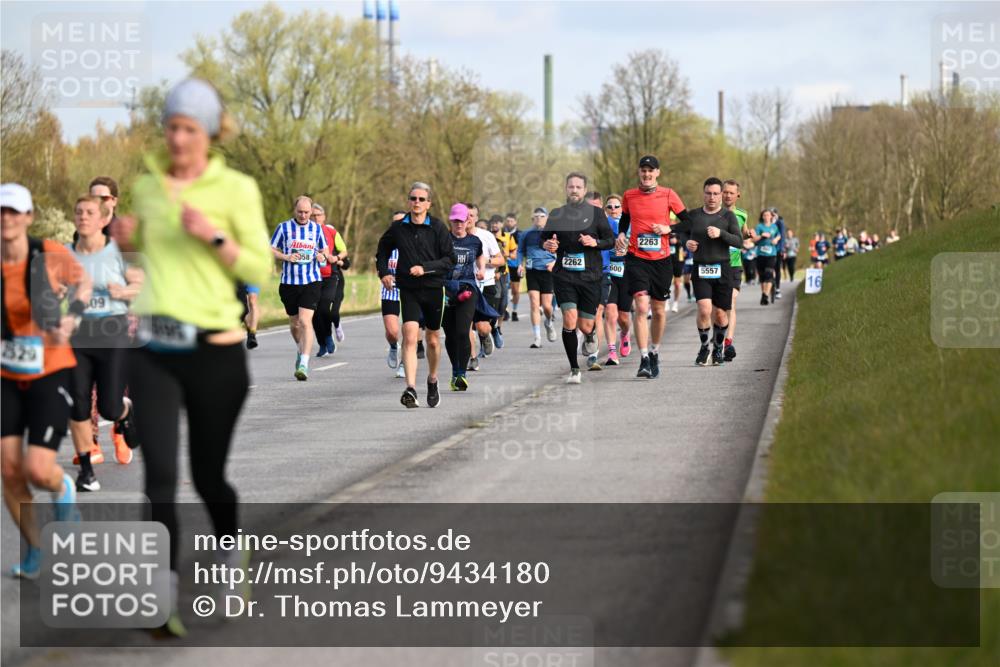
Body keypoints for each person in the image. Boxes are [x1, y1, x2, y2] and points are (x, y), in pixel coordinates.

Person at [110, 78, 272, 636]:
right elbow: (148, 264)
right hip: (155, 348)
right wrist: (128, 240)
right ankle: (161, 597)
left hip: (216, 352)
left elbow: (257, 269)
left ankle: (232, 553)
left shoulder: (236, 189)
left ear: (207, 133)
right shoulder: (148, 187)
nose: (177, 138)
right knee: (158, 476)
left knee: (207, 477)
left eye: (188, 129)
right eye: (171, 127)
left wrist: (212, 237)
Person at [2, 182, 90, 579]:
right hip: (5, 375)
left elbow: (82, 282)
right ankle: (37, 549)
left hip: (50, 368)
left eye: (14, 212)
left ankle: (63, 488)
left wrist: (74, 316)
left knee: (38, 470)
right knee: (8, 470)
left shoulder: (48, 255)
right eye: (1, 211)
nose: (6, 218)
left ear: (28, 217)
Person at [66, 195, 142, 492]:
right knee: (79, 401)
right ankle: (86, 471)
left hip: (112, 332)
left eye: (89, 213)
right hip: (79, 335)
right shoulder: (64, 254)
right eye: (78, 212)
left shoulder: (118, 252)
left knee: (109, 406)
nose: (83, 217)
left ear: (102, 220)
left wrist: (122, 292)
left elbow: (140, 284)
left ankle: (126, 412)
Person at [375, 182, 455, 409]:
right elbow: (382, 250)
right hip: (408, 288)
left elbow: (449, 260)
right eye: (413, 198)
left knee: (432, 339)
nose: (416, 202)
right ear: (408, 201)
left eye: (421, 199)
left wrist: (425, 268)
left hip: (433, 288)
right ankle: (410, 388)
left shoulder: (438, 228)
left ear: (428, 203)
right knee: (409, 335)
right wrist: (384, 273)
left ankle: (432, 379)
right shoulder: (399, 228)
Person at [615, 155, 688, 379]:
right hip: (637, 257)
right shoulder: (629, 195)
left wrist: (668, 229)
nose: (646, 174)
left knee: (657, 310)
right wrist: (620, 234)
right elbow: (625, 219)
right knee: (641, 305)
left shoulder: (668, 194)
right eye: (643, 170)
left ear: (658, 173)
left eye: (651, 171)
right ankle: (644, 357)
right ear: (639, 172)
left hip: (662, 261)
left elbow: (689, 222)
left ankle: (655, 351)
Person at [543, 173, 615, 383]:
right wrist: (548, 245)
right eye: (571, 186)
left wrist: (595, 243)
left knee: (584, 325)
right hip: (564, 276)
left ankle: (590, 334)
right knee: (569, 319)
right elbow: (544, 239)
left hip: (590, 276)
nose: (574, 190)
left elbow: (609, 240)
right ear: (566, 189)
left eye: (578, 187)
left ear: (584, 191)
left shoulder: (596, 214)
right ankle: (574, 369)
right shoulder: (557, 214)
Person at [672, 178, 744, 366]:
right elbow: (681, 232)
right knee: (704, 309)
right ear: (703, 194)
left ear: (721, 195)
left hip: (723, 269)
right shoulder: (694, 215)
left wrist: (721, 234)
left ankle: (718, 347)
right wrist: (685, 243)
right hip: (701, 268)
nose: (712, 197)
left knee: (720, 314)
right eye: (708, 193)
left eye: (715, 194)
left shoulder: (728, 217)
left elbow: (738, 241)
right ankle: (705, 347)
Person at [270, 195, 333, 380]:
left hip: (311, 281)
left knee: (306, 322)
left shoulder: (316, 229)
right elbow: (271, 249)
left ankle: (304, 363)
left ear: (311, 211)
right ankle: (300, 349)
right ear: (294, 210)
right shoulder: (284, 228)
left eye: (307, 212)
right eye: (300, 212)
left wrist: (322, 257)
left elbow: (325, 250)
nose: (304, 215)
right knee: (295, 323)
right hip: (289, 282)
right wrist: (286, 257)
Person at [442, 204, 485, 390]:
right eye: (455, 220)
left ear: (468, 220)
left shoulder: (475, 241)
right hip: (445, 290)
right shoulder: (442, 240)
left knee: (462, 331)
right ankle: (455, 370)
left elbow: (480, 256)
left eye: (462, 220)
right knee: (450, 334)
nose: (459, 224)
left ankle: (462, 374)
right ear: (450, 221)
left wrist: (481, 269)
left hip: (468, 288)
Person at [721, 180, 754, 362]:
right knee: (718, 308)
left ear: (737, 195)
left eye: (731, 193)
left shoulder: (742, 214)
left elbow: (744, 232)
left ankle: (728, 342)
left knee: (731, 302)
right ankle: (718, 339)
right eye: (725, 192)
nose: (727, 195)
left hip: (734, 265)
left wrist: (749, 234)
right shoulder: (713, 213)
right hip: (717, 264)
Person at [310, 203, 349, 358]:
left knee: (324, 309)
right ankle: (322, 343)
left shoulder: (331, 232)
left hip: (330, 276)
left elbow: (344, 251)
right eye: (312, 215)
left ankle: (327, 336)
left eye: (318, 215)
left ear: (324, 217)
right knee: (313, 314)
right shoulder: (304, 232)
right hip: (311, 277)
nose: (315, 218)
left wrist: (336, 257)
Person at [469, 205, 504, 367]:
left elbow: (500, 260)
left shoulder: (486, 236)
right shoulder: (453, 237)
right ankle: (472, 358)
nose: (468, 218)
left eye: (472, 215)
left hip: (486, 284)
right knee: (465, 325)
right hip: (465, 286)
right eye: (465, 215)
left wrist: (485, 262)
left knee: (482, 327)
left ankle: (486, 334)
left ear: (476, 218)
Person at [521, 207, 558, 348]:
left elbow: (563, 251)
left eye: (542, 216)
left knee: (547, 306)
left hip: (547, 271)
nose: (539, 219)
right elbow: (520, 251)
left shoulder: (554, 234)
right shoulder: (526, 234)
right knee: (534, 304)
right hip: (532, 271)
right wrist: (520, 264)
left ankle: (549, 322)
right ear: (532, 219)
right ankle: (537, 337)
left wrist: (554, 262)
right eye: (536, 216)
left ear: (547, 218)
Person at [602, 194, 632, 366]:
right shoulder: (603, 225)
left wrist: (627, 249)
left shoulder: (630, 224)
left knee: (623, 317)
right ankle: (612, 352)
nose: (613, 209)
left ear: (622, 208)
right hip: (609, 272)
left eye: (617, 206)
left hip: (626, 272)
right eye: (610, 206)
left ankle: (625, 333)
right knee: (611, 314)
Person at [381, 211, 408, 379]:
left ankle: (405, 363)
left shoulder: (416, 243)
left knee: (409, 330)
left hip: (410, 290)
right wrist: (383, 274)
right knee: (392, 331)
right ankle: (393, 346)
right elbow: (380, 263)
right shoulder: (386, 243)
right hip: (390, 290)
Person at [754, 209, 781, 305]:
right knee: (762, 277)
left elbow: (779, 235)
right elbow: (754, 239)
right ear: (762, 217)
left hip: (771, 254)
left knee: (769, 274)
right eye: (764, 215)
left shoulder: (774, 227)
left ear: (771, 216)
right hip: (760, 254)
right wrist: (761, 236)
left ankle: (765, 296)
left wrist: (776, 240)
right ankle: (764, 294)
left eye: (768, 215)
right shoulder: (759, 227)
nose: (766, 217)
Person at [503, 213, 522, 321]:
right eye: (508, 221)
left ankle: (514, 310)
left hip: (515, 264)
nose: (509, 223)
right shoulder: (501, 234)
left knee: (515, 290)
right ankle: (505, 310)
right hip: (504, 265)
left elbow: (522, 250)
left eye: (511, 221)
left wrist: (521, 264)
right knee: (505, 288)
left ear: (515, 222)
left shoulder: (520, 234)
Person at [771, 207, 786, 300]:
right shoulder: (766, 223)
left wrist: (782, 249)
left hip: (777, 250)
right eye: (770, 214)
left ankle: (778, 289)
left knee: (777, 269)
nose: (772, 216)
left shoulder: (780, 222)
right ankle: (770, 284)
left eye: (773, 214)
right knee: (769, 269)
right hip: (768, 251)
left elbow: (782, 236)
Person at [240, 283, 261, 349]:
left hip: (251, 275)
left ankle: (252, 334)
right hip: (237, 276)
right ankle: (249, 329)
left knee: (252, 300)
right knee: (242, 307)